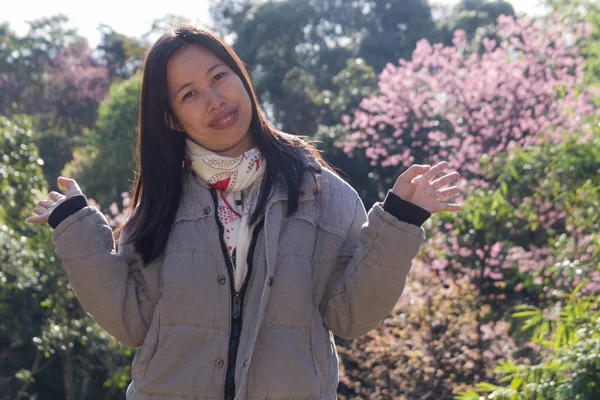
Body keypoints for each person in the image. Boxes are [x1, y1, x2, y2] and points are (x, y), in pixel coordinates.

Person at [26, 23, 462, 400]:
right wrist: (77, 230)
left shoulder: (324, 193)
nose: (215, 99)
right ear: (173, 119)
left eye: (220, 76)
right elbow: (132, 325)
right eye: (190, 94)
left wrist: (401, 221)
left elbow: (351, 317)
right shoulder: (159, 205)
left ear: (242, 77)